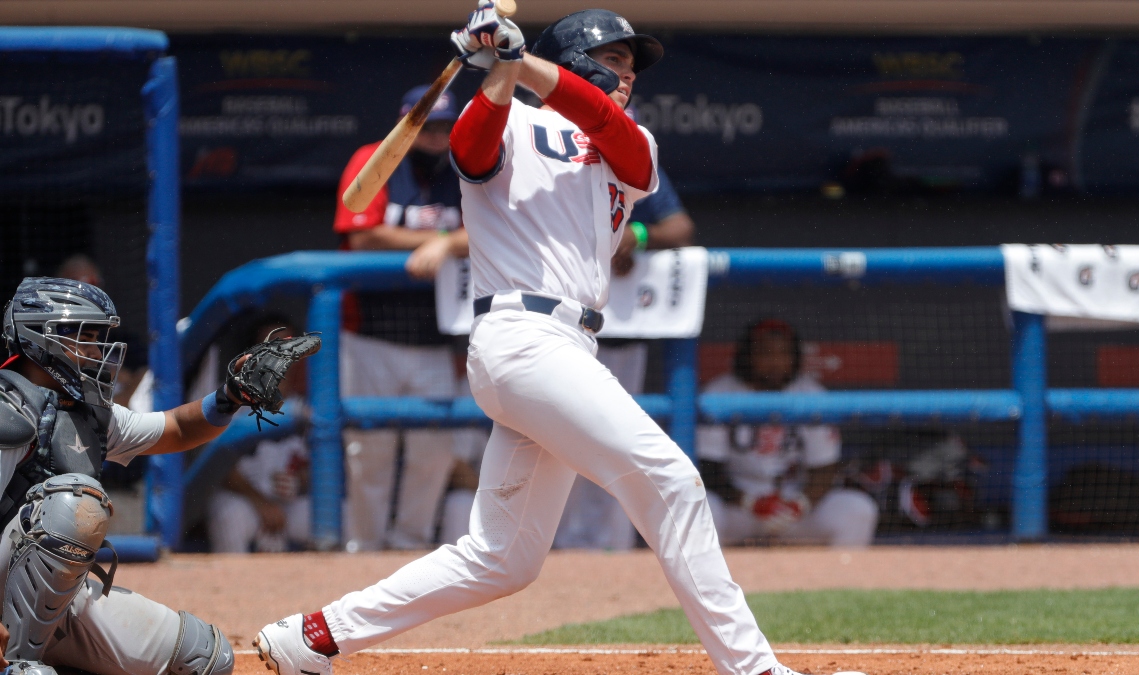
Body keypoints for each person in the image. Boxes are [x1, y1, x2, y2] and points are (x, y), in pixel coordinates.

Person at [255, 7, 802, 675]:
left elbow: (605, 124)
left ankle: (311, 636)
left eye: (634, 64)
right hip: (521, 336)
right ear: (574, 59)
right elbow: (473, 148)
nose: (629, 74)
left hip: (567, 347)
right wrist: (500, 72)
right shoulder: (505, 117)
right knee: (673, 480)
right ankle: (755, 669)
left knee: (501, 557)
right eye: (617, 59)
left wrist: (517, 61)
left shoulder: (635, 143)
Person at [0, 277, 314, 673]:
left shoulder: (82, 411)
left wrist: (231, 396)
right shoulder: (6, 412)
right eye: (83, 336)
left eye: (98, 337)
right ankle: (18, 664)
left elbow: (174, 430)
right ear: (40, 338)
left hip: (52, 597)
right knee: (75, 503)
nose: (97, 350)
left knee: (204, 658)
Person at [333, 85, 470, 551]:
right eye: (426, 127)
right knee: (369, 453)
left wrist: (447, 244)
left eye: (443, 128)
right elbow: (362, 237)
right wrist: (435, 242)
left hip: (434, 338)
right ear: (404, 126)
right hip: (370, 336)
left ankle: (410, 546)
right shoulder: (373, 160)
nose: (435, 137)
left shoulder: (463, 167)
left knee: (433, 454)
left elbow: (493, 230)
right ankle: (363, 548)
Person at [555, 165, 695, 550]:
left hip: (620, 333)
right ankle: (555, 551)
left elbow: (681, 227)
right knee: (559, 444)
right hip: (557, 331)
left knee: (616, 445)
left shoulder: (639, 165)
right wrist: (604, 244)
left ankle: (612, 557)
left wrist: (638, 235)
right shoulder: (561, 161)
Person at [697, 319, 879, 547]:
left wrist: (800, 504)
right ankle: (708, 583)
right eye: (765, 353)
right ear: (747, 356)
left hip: (793, 506)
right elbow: (708, 469)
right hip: (738, 506)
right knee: (701, 508)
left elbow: (825, 467)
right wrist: (749, 501)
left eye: (783, 354)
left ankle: (838, 581)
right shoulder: (720, 393)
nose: (775, 362)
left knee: (857, 508)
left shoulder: (811, 394)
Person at [207, 317, 312, 553]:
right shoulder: (227, 399)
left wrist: (300, 481)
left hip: (288, 503)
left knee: (320, 512)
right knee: (230, 514)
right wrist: (260, 502)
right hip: (243, 499)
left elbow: (319, 467)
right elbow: (216, 468)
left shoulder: (306, 405)